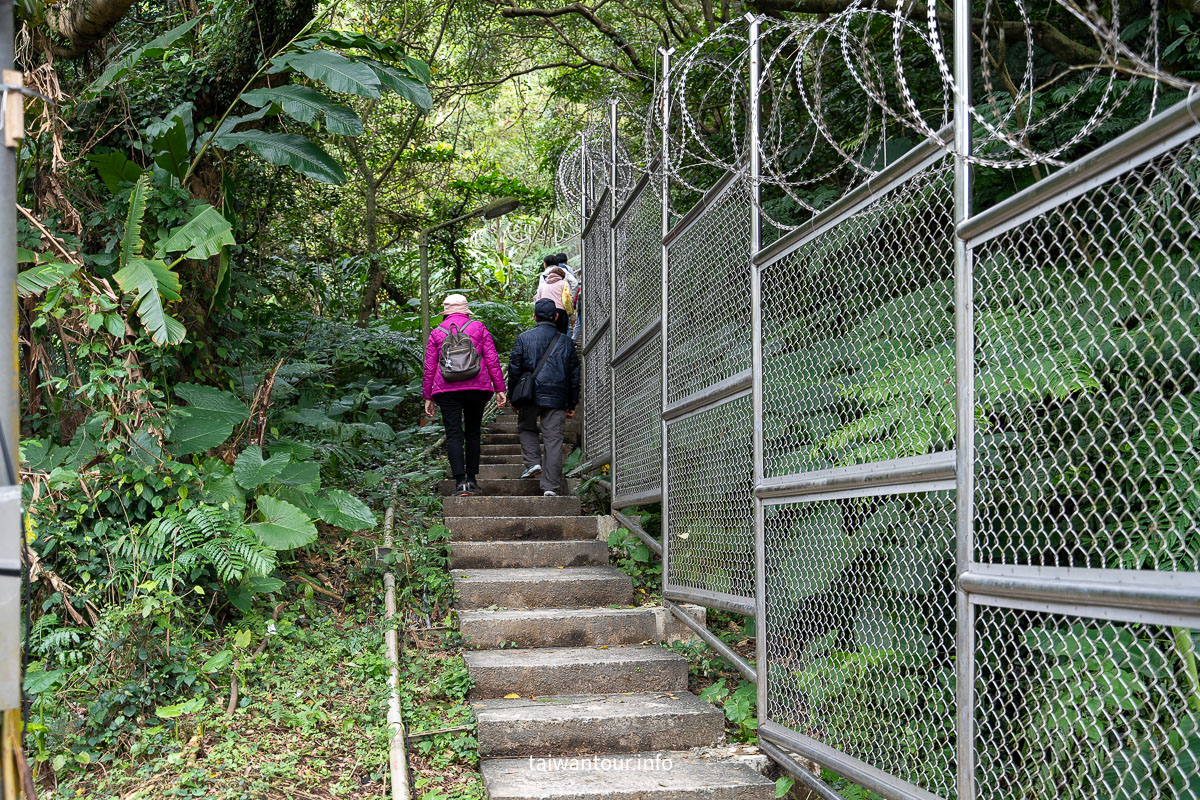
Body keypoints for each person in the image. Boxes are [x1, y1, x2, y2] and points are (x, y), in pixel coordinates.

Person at [423, 294, 507, 496]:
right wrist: (500, 389)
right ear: (465, 310)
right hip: (476, 387)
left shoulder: (437, 332)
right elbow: (492, 360)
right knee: (472, 434)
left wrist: (428, 396)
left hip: (446, 388)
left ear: (446, 312)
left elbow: (429, 367)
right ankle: (472, 480)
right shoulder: (478, 327)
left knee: (453, 434)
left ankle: (460, 483)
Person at [509, 298, 581, 496]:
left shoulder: (523, 338)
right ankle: (550, 487)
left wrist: (512, 398)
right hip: (557, 398)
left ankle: (532, 462)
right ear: (557, 317)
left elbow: (514, 370)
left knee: (526, 427)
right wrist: (572, 401)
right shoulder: (567, 342)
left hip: (529, 396)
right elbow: (574, 375)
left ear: (534, 317)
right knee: (553, 440)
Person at [533, 265, 574, 334]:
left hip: (544, 312)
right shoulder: (564, 283)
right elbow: (567, 299)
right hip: (560, 312)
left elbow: (538, 300)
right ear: (562, 276)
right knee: (561, 335)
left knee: (545, 333)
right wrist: (570, 313)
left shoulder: (542, 285)